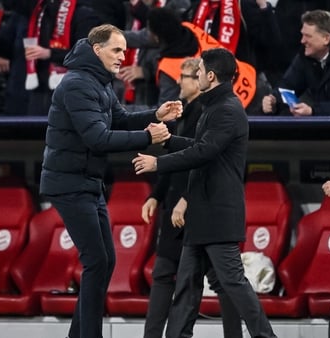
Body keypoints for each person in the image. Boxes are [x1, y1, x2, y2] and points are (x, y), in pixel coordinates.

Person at [39, 24, 182, 338]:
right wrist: (147, 136)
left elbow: (119, 118)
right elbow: (97, 138)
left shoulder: (99, 83)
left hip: (89, 183)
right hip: (68, 183)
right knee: (96, 261)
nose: (123, 56)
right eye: (117, 50)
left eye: (124, 49)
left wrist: (155, 113)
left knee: (105, 260)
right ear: (96, 49)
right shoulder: (76, 84)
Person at [132, 48, 277, 338]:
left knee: (234, 283)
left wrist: (157, 163)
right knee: (186, 287)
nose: (196, 74)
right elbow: (199, 146)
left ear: (210, 75)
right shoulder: (214, 107)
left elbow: (203, 152)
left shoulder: (228, 110)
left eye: (198, 70)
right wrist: (169, 140)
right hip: (201, 214)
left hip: (219, 216)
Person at [141, 57, 242, 338]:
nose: (179, 82)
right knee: (165, 274)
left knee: (223, 281)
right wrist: (156, 196)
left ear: (205, 78)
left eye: (186, 75)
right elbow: (175, 158)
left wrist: (186, 200)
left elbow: (204, 159)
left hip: (197, 207)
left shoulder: (213, 111)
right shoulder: (182, 113)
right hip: (175, 205)